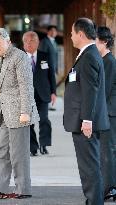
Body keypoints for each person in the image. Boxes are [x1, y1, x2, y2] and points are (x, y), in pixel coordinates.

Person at [0, 28, 39, 199]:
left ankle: (23, 189)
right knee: (2, 150)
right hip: (7, 114)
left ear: (8, 41)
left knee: (18, 153)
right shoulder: (3, 57)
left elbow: (26, 86)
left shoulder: (19, 57)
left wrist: (25, 111)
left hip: (20, 113)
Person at [63, 18, 110, 205]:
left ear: (81, 34)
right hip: (83, 121)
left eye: (73, 33)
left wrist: (87, 120)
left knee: (89, 167)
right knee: (88, 166)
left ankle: (94, 202)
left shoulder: (89, 55)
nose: (71, 36)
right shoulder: (88, 53)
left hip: (85, 123)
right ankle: (92, 200)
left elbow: (91, 90)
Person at [22, 31, 56, 156]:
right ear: (23, 43)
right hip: (26, 95)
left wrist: (53, 92)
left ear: (38, 43)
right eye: (26, 41)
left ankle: (44, 144)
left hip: (43, 93)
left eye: (32, 41)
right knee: (29, 122)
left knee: (44, 119)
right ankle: (33, 147)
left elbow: (51, 74)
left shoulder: (45, 56)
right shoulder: (19, 57)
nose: (29, 44)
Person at [96, 26, 116, 201]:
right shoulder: (104, 60)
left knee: (107, 151)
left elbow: (104, 90)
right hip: (107, 112)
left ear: (103, 42)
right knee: (106, 151)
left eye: (94, 40)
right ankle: (109, 186)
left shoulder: (109, 61)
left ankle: (110, 187)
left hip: (109, 113)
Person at [39, 25, 58, 111]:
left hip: (53, 67)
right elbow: (42, 56)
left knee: (52, 85)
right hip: (47, 68)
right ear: (48, 32)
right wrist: (44, 69)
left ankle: (51, 103)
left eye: (55, 31)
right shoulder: (44, 42)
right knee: (48, 85)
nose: (54, 32)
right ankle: (48, 103)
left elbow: (56, 56)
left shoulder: (54, 42)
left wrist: (56, 68)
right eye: (52, 31)